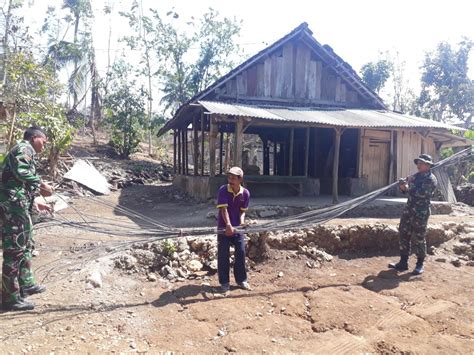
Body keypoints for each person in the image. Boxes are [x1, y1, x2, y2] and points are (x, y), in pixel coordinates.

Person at [1, 126, 53, 311]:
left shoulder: (27, 151)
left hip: (18, 204)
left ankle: (26, 283)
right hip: (12, 207)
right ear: (35, 137)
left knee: (26, 244)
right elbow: (21, 172)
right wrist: (41, 184)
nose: (44, 146)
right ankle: (10, 297)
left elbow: (18, 182)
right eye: (44, 141)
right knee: (14, 248)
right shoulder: (24, 148)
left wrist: (35, 202)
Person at [389, 154, 438, 275]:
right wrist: (403, 186)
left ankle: (420, 264)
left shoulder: (431, 179)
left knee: (419, 237)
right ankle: (403, 262)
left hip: (420, 212)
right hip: (409, 210)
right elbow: (406, 191)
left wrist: (408, 186)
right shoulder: (416, 177)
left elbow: (422, 193)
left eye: (421, 163)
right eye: (418, 163)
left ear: (428, 165)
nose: (418, 165)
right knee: (403, 233)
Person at [216, 166, 250, 293]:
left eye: (233, 178)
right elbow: (223, 209)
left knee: (240, 252)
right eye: (229, 177)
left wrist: (242, 222)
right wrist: (228, 225)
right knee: (223, 254)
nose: (230, 180)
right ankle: (224, 282)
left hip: (237, 229)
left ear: (240, 179)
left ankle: (241, 280)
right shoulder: (223, 190)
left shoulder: (245, 193)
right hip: (224, 227)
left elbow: (242, 211)